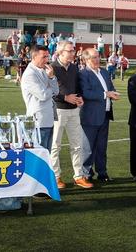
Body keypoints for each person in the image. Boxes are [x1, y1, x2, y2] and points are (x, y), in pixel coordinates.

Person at [50, 41, 92, 190]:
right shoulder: (52, 68)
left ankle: (79, 176)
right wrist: (65, 97)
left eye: (73, 50)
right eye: (70, 51)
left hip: (74, 111)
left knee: (77, 145)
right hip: (58, 110)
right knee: (55, 146)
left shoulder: (74, 68)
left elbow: (78, 87)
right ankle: (55, 177)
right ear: (60, 53)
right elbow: (49, 90)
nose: (73, 53)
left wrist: (80, 97)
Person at [79, 48, 119, 183]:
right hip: (90, 116)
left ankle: (102, 173)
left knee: (102, 147)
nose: (97, 60)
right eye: (93, 57)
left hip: (105, 114)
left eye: (98, 57)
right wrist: (106, 94)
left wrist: (114, 93)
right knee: (88, 147)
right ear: (85, 59)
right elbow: (86, 93)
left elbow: (111, 87)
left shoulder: (104, 72)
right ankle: (86, 173)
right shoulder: (83, 74)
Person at [21, 45, 59, 152]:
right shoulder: (29, 74)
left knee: (47, 155)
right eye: (44, 57)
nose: (47, 60)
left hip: (48, 119)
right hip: (38, 121)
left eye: (48, 56)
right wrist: (50, 88)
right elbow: (43, 95)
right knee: (40, 155)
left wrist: (51, 77)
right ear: (34, 57)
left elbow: (56, 91)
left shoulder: (44, 70)